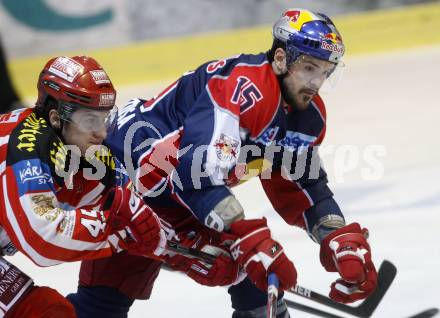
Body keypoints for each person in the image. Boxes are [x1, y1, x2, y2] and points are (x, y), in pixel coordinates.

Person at [69, 8, 378, 318]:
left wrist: (337, 236)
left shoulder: (306, 118)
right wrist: (246, 235)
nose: (316, 82)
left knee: (251, 270)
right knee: (102, 306)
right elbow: (196, 171)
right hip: (122, 184)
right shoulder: (243, 88)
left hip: (176, 194)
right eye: (309, 67)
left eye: (325, 71)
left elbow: (302, 186)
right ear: (282, 58)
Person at [0, 55, 167, 317]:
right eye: (90, 120)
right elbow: (42, 237)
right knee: (45, 312)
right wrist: (120, 230)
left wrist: (188, 251)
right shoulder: (26, 150)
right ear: (56, 117)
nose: (101, 132)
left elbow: (139, 207)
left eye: (103, 118)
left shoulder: (77, 149)